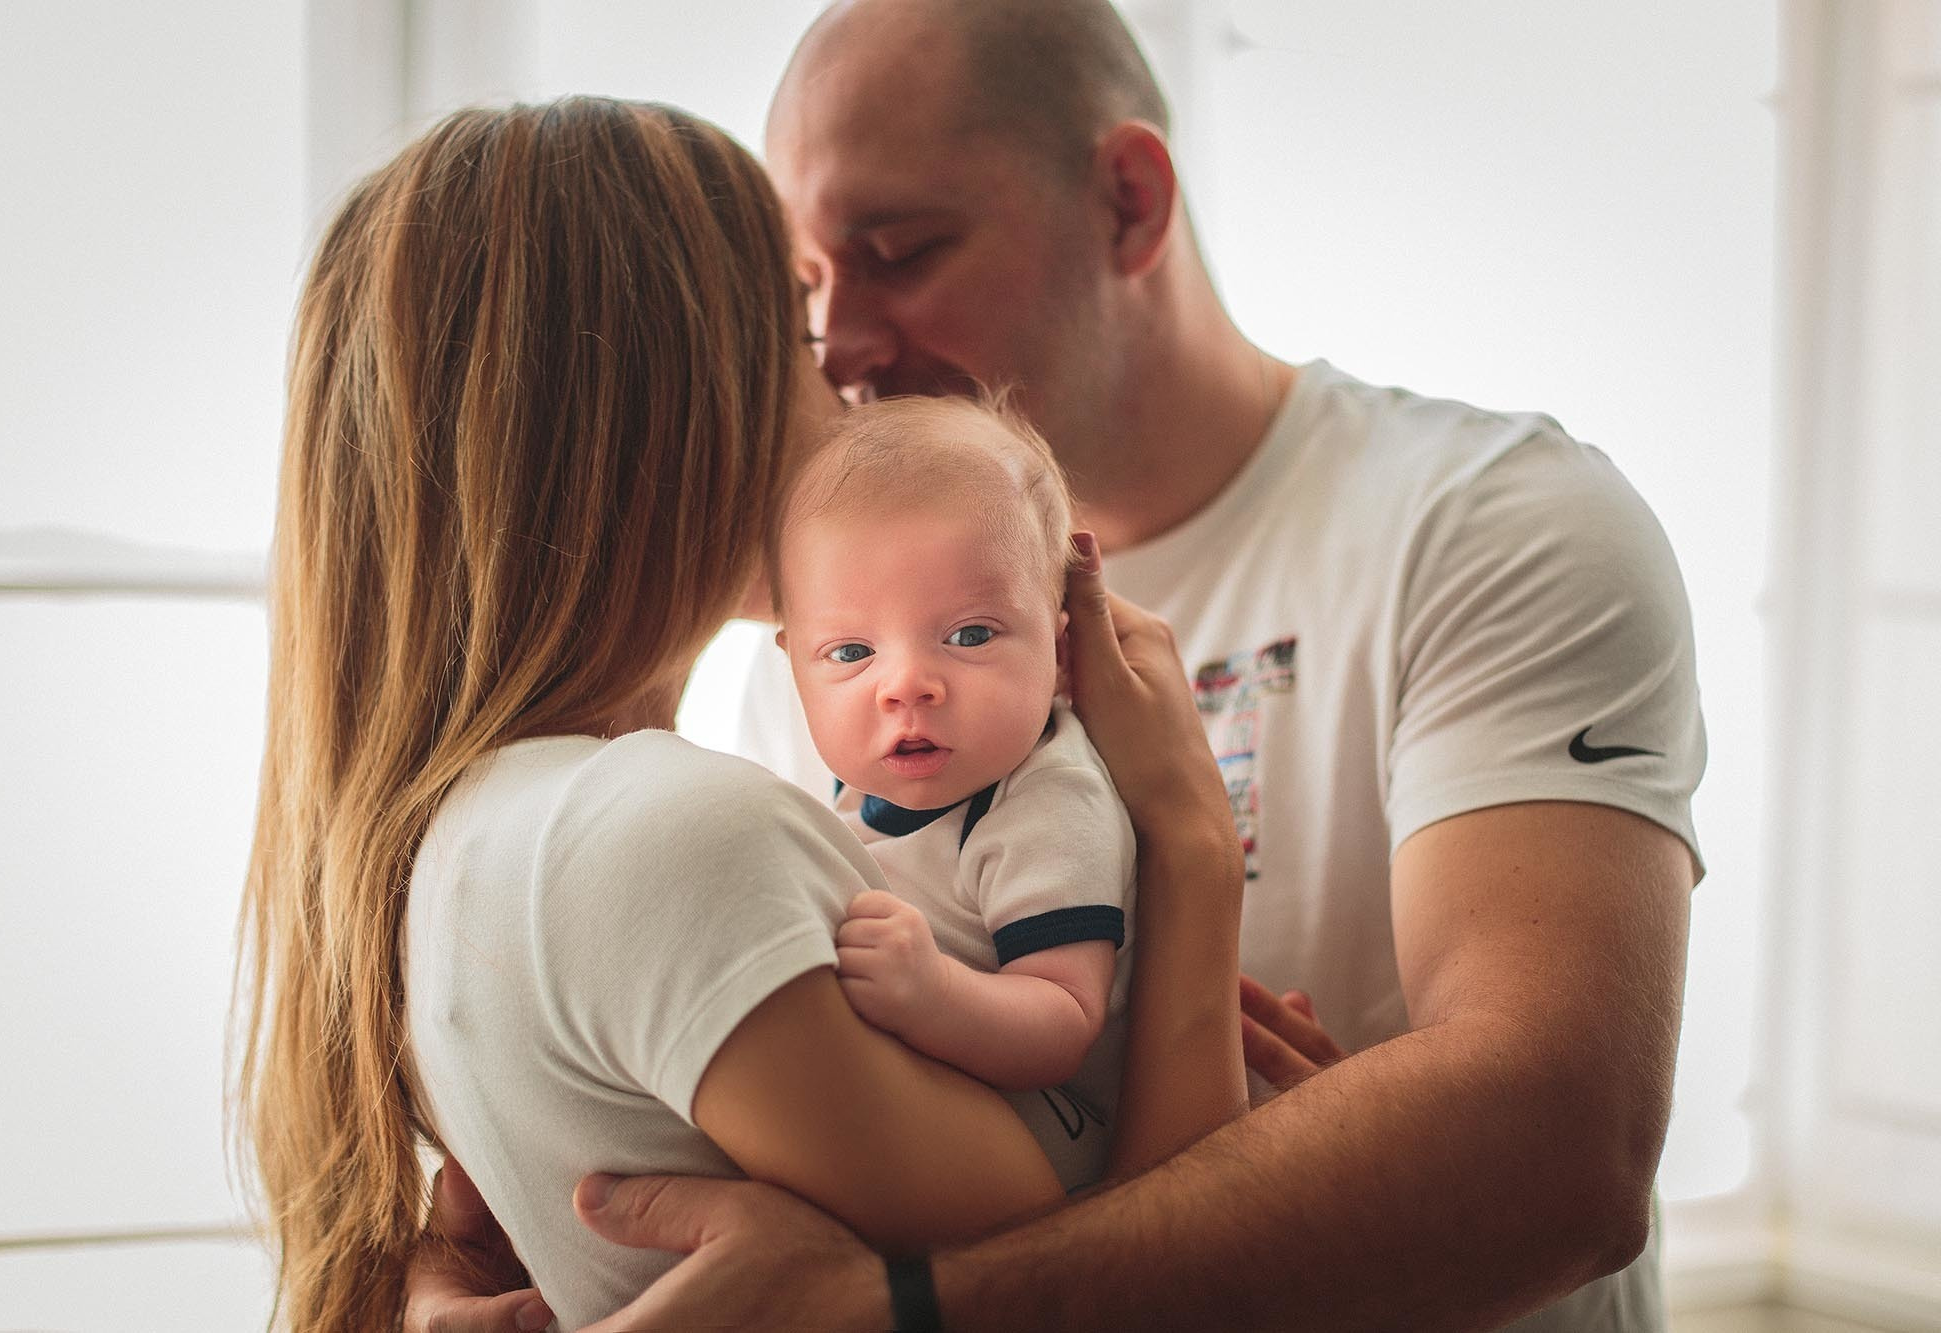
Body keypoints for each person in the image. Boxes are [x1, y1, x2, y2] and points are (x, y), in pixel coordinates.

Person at [407, 0, 1706, 1330]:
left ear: (1130, 203)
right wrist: (471, 1276)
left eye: (902, 250)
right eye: (807, 292)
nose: (842, 343)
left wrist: (904, 1310)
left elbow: (1565, 1150)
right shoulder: (819, 663)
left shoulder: (1490, 527)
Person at [234, 95, 1247, 1332]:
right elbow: (1149, 1291)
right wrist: (1191, 843)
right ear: (670, 411)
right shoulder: (661, 831)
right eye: (809, 344)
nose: (857, 396)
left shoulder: (475, 832)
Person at [778, 394, 1138, 1190]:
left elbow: (1063, 1019)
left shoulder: (1043, 797)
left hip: (1060, 1129)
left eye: (969, 635)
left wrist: (932, 993)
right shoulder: (850, 792)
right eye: (849, 651)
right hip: (946, 1092)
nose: (906, 684)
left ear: (1060, 647)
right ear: (793, 665)